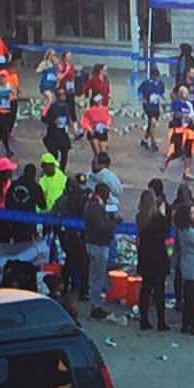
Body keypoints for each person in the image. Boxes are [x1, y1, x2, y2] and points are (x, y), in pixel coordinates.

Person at [83, 183, 118, 321]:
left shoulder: (92, 204)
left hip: (93, 243)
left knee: (95, 276)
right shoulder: (96, 207)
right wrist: (114, 223)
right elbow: (101, 228)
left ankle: (95, 304)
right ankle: (95, 307)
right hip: (98, 245)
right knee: (97, 278)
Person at [136, 188, 170, 331]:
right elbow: (167, 238)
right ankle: (161, 321)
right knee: (159, 290)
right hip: (159, 256)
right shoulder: (159, 219)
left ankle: (144, 320)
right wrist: (170, 254)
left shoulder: (141, 218)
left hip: (145, 256)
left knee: (145, 288)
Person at [172, 202, 194, 335]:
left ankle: (187, 324)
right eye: (192, 213)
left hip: (187, 265)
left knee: (189, 297)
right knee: (193, 299)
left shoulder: (183, 230)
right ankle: (193, 324)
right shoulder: (191, 232)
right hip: (193, 267)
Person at [81, 93, 113, 170]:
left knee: (103, 154)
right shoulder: (89, 111)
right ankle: (95, 169)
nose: (100, 101)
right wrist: (90, 129)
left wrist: (108, 126)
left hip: (102, 131)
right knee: (97, 153)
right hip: (93, 133)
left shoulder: (104, 109)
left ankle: (104, 169)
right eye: (99, 100)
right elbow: (84, 121)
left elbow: (108, 119)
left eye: (101, 100)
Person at [138, 66, 166, 151]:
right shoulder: (146, 83)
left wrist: (163, 99)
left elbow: (162, 93)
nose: (156, 79)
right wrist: (142, 99)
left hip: (156, 107)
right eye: (155, 77)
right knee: (153, 122)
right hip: (148, 106)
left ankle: (144, 140)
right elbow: (139, 91)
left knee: (151, 125)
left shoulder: (161, 83)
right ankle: (153, 143)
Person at [0, 68, 17, 158]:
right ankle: (7, 149)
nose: (2, 79)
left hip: (7, 111)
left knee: (3, 130)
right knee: (5, 130)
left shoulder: (9, 86)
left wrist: (12, 96)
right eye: (0, 77)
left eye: (4, 77)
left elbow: (14, 95)